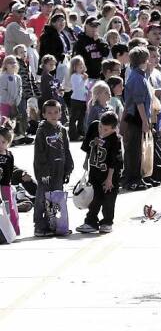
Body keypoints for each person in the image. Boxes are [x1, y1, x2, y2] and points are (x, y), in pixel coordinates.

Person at [76, 112, 122, 234]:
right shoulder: (94, 128)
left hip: (109, 176)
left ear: (114, 128)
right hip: (94, 172)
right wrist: (86, 163)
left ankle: (107, 222)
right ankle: (90, 221)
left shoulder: (115, 140)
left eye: (106, 129)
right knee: (95, 198)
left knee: (108, 200)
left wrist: (109, 179)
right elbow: (87, 148)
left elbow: (114, 162)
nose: (102, 131)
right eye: (101, 127)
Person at [33, 100, 74, 237]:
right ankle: (39, 225)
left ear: (61, 113)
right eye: (49, 112)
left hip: (59, 169)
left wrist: (68, 167)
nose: (53, 115)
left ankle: (54, 223)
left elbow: (66, 149)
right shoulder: (41, 131)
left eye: (56, 112)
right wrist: (43, 172)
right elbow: (39, 153)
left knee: (56, 197)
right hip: (46, 170)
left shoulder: (62, 130)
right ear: (44, 114)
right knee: (42, 197)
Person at [121, 47, 153, 191]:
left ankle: (137, 177)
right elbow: (138, 102)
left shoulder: (139, 75)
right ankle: (131, 180)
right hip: (135, 118)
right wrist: (145, 122)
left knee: (138, 150)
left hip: (137, 117)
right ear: (143, 60)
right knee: (133, 150)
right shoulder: (137, 78)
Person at [68, 56, 89, 141]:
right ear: (74, 67)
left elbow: (85, 88)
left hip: (83, 99)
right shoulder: (74, 76)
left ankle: (81, 133)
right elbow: (77, 88)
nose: (81, 66)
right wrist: (83, 80)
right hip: (76, 99)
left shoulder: (82, 76)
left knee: (82, 118)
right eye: (78, 65)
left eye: (82, 64)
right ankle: (73, 134)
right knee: (74, 118)